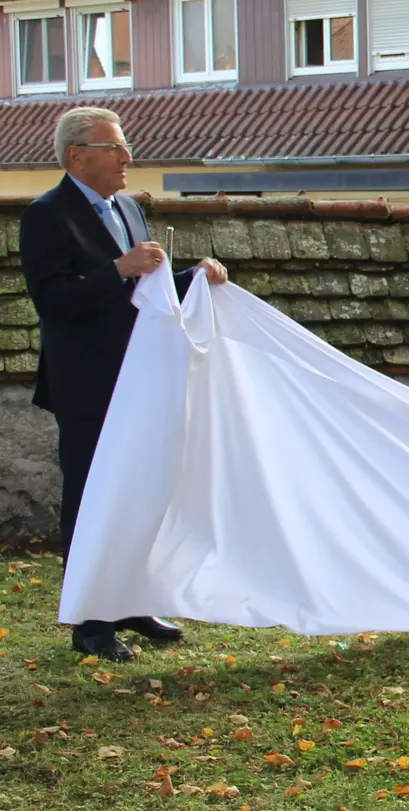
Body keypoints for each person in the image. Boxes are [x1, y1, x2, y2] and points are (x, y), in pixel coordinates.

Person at [19, 107, 230, 662]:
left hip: (140, 383)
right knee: (93, 498)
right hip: (87, 385)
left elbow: (147, 290)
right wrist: (117, 268)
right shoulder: (47, 215)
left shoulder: (131, 209)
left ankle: (133, 602)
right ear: (76, 156)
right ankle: (91, 623)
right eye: (114, 148)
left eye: (124, 146)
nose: (126, 158)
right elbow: (54, 301)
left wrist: (194, 275)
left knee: (142, 494)